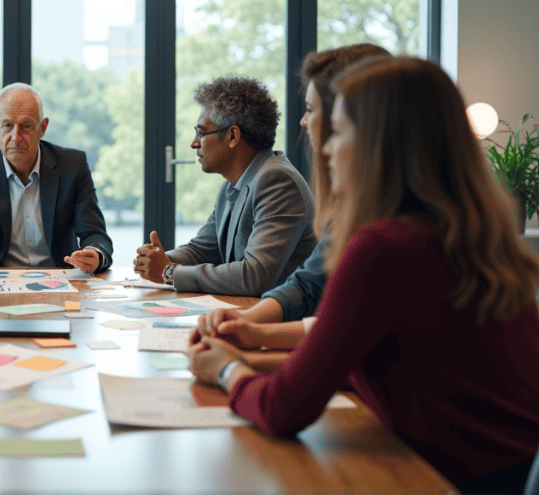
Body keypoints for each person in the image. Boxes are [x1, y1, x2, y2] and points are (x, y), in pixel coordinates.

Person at [188, 57, 539, 494]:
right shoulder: (470, 234)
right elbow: (378, 361)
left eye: (341, 130)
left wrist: (226, 373)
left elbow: (283, 411)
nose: (329, 148)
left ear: (379, 143)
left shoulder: (385, 247)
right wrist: (250, 358)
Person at [194, 44, 391, 361]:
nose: (302, 122)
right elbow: (310, 285)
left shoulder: (385, 232)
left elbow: (345, 347)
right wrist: (249, 327)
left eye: (311, 110)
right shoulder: (351, 210)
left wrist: (234, 367)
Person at [133, 75, 317, 296]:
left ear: (232, 136)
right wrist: (157, 260)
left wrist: (168, 272)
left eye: (201, 133)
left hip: (281, 323)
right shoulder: (233, 185)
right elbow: (201, 250)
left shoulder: (277, 181)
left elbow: (254, 275)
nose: (194, 143)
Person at [0, 82, 113, 274]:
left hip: (59, 280)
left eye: (26, 126)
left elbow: (97, 237)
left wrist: (94, 254)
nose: (16, 137)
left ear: (43, 127)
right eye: (7, 126)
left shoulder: (72, 166)